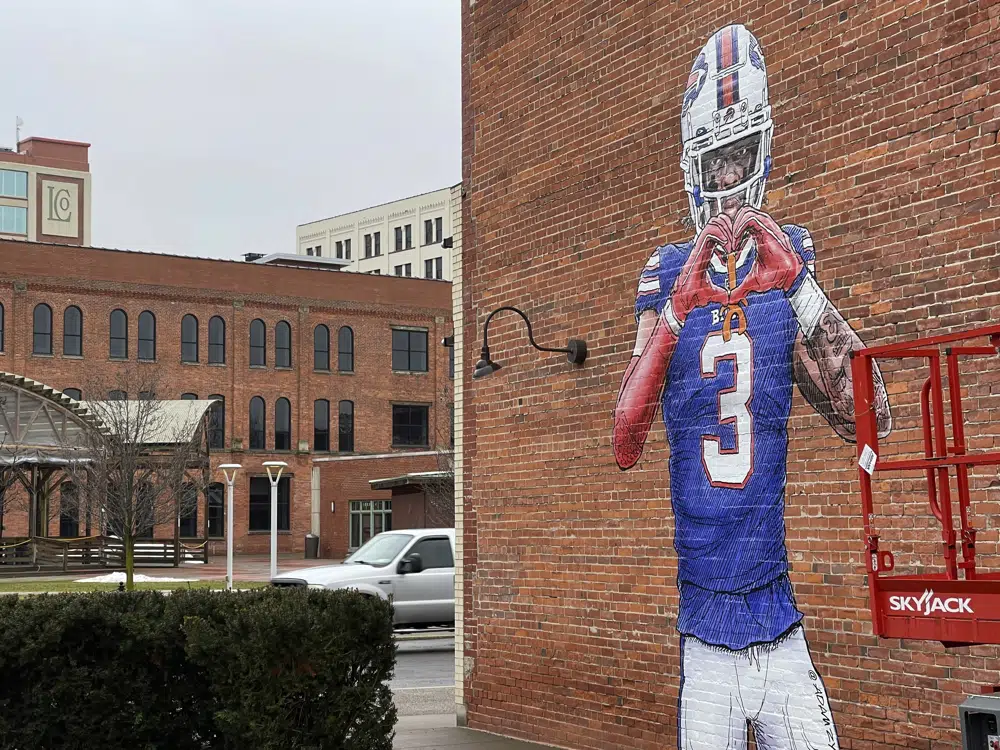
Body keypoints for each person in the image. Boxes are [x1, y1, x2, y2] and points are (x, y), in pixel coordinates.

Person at [612, 23, 892, 749]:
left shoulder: (788, 259)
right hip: (704, 631)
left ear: (763, 151)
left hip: (780, 618)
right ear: (691, 162)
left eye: (741, 157)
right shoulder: (667, 273)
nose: (731, 179)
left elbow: (873, 416)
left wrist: (798, 287)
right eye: (717, 159)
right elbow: (624, 437)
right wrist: (677, 306)